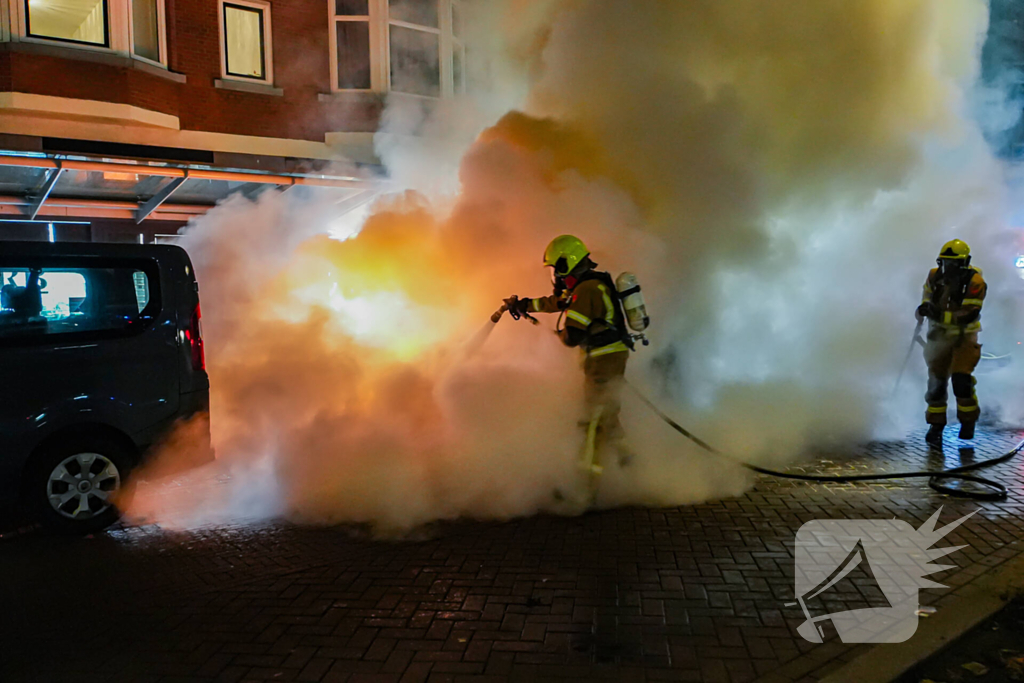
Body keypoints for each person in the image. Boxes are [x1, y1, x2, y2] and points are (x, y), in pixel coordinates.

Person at [505, 235, 633, 469]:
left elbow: (572, 336)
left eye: (556, 269)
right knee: (607, 413)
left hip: (604, 360)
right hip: (606, 357)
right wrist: (524, 305)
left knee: (591, 419)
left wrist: (557, 334)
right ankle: (627, 459)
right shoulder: (587, 286)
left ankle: (585, 481)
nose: (555, 276)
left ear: (566, 264)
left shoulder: (587, 290)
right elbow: (556, 303)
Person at [916, 239, 986, 446]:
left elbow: (968, 314)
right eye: (946, 262)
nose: (949, 267)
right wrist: (923, 308)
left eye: (954, 263)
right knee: (936, 383)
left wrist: (938, 315)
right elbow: (928, 295)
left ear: (964, 263)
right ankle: (936, 426)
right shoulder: (934, 275)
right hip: (938, 337)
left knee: (961, 381)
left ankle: (968, 421)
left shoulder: (975, 282)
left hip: (964, 338)